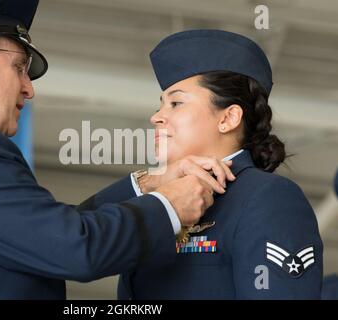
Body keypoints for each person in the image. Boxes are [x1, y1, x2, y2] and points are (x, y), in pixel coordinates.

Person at [0, 1, 235, 299]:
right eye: (19, 68)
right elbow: (73, 247)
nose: (28, 89)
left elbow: (42, 230)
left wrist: (148, 185)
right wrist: (170, 206)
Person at [86, 29, 324, 299]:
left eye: (176, 103)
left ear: (229, 118)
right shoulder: (156, 197)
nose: (156, 117)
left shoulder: (267, 199)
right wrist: (148, 182)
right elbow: (73, 238)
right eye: (160, 105)